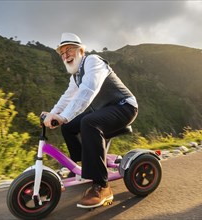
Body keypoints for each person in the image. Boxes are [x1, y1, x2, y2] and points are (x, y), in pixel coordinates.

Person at [41, 33, 138, 209]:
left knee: (88, 123)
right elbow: (66, 98)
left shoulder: (93, 61)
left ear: (81, 50)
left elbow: (87, 91)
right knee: (68, 126)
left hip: (124, 107)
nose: (65, 56)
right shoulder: (75, 76)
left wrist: (63, 116)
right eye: (62, 53)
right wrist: (53, 114)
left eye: (69, 50)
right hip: (105, 110)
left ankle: (102, 186)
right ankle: (83, 168)